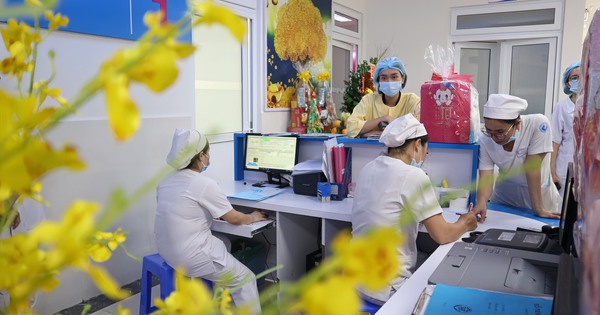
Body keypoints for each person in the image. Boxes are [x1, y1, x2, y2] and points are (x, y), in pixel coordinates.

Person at [351, 114, 478, 305]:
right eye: (427, 150)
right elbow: (442, 235)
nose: (425, 156)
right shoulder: (413, 175)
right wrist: (466, 222)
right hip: (387, 289)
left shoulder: (369, 167)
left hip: (357, 281)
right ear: (417, 144)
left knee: (423, 255)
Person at [155, 128, 267, 314]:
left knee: (225, 242)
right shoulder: (204, 183)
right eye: (207, 153)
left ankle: (214, 298)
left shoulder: (165, 181)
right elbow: (235, 219)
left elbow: (182, 211)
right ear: (201, 156)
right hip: (190, 256)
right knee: (246, 279)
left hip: (167, 251)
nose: (208, 157)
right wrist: (253, 217)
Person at [473, 94, 561, 221]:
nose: (493, 137)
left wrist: (538, 209)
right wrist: (481, 202)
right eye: (489, 131)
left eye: (500, 132)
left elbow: (532, 168)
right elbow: (486, 176)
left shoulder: (537, 124)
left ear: (517, 124)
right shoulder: (485, 140)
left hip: (538, 198)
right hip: (505, 198)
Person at [346, 57, 421, 138]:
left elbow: (417, 128)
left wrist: (370, 132)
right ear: (379, 81)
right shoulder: (368, 100)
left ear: (402, 79)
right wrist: (383, 119)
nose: (389, 81)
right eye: (384, 78)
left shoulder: (412, 100)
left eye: (394, 77)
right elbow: (351, 128)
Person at [551, 62, 580, 198]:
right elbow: (554, 141)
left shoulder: (595, 105)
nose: (579, 81)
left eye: (583, 76)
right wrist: (551, 171)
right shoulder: (562, 107)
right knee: (564, 208)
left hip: (591, 169)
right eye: (574, 78)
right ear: (568, 83)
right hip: (565, 166)